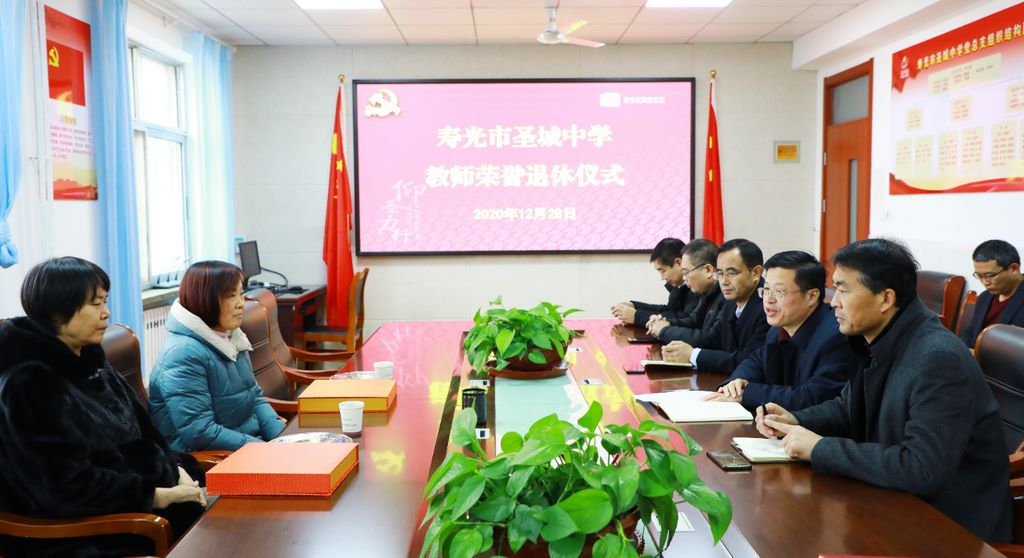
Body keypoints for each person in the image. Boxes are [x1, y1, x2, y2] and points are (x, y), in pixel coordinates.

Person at [757, 239, 1011, 542]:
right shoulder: (878, 338)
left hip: (949, 528)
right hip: (893, 502)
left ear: (885, 299)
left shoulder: (937, 359)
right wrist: (796, 420)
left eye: (843, 290)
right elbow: (846, 407)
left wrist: (819, 448)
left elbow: (922, 468)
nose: (834, 302)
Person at [0, 257, 206, 558]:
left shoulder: (89, 360)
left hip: (144, 501)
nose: (106, 312)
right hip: (86, 532)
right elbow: (65, 486)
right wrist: (159, 496)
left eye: (105, 301)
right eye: (95, 304)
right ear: (57, 312)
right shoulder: (29, 383)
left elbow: (145, 434)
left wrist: (177, 468)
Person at [149, 261, 285, 452]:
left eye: (241, 294)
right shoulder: (183, 354)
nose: (241, 303)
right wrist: (266, 451)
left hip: (247, 446)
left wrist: (283, 440)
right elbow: (201, 433)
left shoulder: (232, 336)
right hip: (211, 459)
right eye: (231, 296)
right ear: (205, 299)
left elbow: (255, 397)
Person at [705, 251, 853, 411]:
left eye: (779, 292)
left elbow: (812, 397)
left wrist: (747, 393)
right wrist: (737, 382)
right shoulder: (778, 328)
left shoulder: (836, 335)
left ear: (811, 296)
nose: (769, 299)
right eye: (766, 290)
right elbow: (756, 360)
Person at [662, 238, 770, 374]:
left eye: (731, 273)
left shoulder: (768, 307)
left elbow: (748, 361)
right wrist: (678, 349)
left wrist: (692, 355)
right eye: (720, 273)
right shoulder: (731, 302)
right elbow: (713, 339)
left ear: (756, 273)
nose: (724, 281)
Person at [646, 239, 725, 343]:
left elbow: (710, 339)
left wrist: (664, 330)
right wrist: (666, 323)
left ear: (708, 270)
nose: (684, 278)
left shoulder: (726, 296)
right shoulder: (707, 293)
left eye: (686, 272)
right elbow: (694, 321)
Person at [611, 237, 698, 328]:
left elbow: (684, 318)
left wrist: (636, 316)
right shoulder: (680, 286)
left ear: (678, 263)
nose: (662, 278)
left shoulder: (697, 286)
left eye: (663, 271)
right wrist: (634, 306)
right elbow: (669, 311)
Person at [959, 239, 1024, 348]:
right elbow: (972, 331)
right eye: (979, 276)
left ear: (1014, 269)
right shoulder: (984, 297)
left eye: (990, 275)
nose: (985, 282)